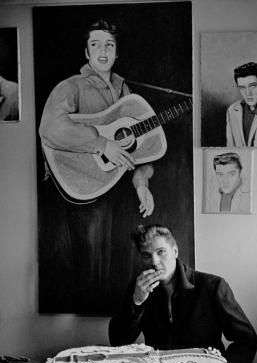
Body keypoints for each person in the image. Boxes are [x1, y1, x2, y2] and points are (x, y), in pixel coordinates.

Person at [38, 18, 155, 313]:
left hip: (119, 190)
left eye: (109, 45)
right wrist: (102, 144)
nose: (103, 51)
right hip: (83, 185)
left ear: (117, 53)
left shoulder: (127, 92)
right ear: (86, 52)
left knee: (120, 262)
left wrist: (141, 182)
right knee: (90, 267)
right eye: (95, 44)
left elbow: (144, 149)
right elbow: (50, 128)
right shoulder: (71, 87)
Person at [109, 224, 257, 363]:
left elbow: (247, 339)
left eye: (161, 252)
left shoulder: (212, 286)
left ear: (175, 251)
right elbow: (118, 342)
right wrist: (137, 302)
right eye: (147, 255)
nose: (155, 262)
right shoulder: (137, 289)